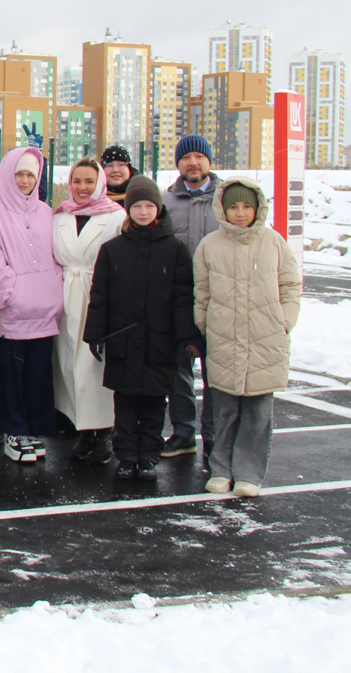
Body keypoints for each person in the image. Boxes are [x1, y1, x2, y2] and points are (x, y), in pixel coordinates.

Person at [84, 176, 197, 482]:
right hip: (123, 339)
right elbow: (100, 294)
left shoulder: (175, 250)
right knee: (126, 401)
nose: (144, 212)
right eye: (137, 206)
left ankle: (147, 455)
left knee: (153, 402)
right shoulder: (113, 250)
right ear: (129, 209)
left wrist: (187, 336)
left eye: (150, 206)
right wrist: (95, 333)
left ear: (159, 209)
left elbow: (183, 298)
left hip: (160, 341)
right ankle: (126, 456)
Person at [194, 177, 301, 498]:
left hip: (265, 339)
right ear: (223, 209)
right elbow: (201, 292)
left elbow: (291, 285)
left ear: (257, 208)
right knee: (224, 411)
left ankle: (249, 473)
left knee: (257, 414)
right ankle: (222, 469)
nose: (240, 213)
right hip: (225, 338)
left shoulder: (273, 242)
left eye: (247, 206)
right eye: (234, 207)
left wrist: (284, 322)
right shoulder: (210, 245)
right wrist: (206, 323)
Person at [0, 146, 63, 465]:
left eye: (31, 174)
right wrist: (10, 293)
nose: (25, 180)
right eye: (19, 174)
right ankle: (15, 431)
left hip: (46, 310)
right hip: (14, 313)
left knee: (39, 375)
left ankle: (36, 429)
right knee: (13, 375)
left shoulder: (45, 212)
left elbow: (57, 255)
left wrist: (53, 287)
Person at [51, 158, 127, 465]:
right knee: (69, 366)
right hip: (66, 296)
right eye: (77, 181)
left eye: (89, 182)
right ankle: (82, 431)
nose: (83, 188)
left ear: (100, 184)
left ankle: (103, 431)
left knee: (96, 367)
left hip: (98, 296)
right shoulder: (60, 216)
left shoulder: (115, 216)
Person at [162, 134, 221, 460]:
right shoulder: (167, 202)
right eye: (186, 158)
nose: (193, 163)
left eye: (199, 156)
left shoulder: (226, 199)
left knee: (217, 373)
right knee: (179, 371)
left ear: (209, 161)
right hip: (180, 302)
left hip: (220, 302)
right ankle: (183, 433)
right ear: (179, 163)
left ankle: (213, 434)